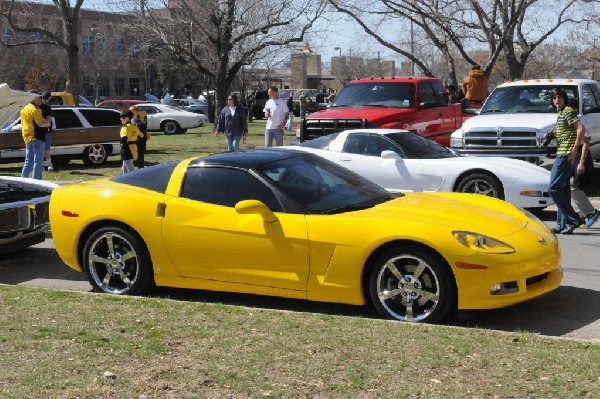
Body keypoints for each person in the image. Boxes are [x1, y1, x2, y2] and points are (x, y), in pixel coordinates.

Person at [548, 89, 586, 234]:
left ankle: (574, 219)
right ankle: (562, 224)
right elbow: (569, 131)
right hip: (563, 153)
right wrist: (554, 134)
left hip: (566, 155)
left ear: (564, 99)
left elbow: (581, 129)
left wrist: (574, 150)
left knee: (553, 188)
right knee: (562, 189)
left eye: (560, 97)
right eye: (555, 98)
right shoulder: (561, 114)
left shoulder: (568, 110)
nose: (557, 100)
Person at [20, 92, 51, 180]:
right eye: (39, 98)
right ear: (34, 98)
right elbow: (40, 124)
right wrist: (47, 123)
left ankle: (23, 180)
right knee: (38, 161)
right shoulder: (35, 110)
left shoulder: (23, 109)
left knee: (28, 161)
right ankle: (36, 181)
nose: (41, 100)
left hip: (27, 137)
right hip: (37, 137)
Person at [38, 92, 55, 171]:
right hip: (45, 131)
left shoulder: (36, 106)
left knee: (40, 149)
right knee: (45, 149)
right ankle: (49, 165)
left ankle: (44, 166)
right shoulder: (46, 107)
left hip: (40, 131)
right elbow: (50, 119)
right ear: (49, 97)